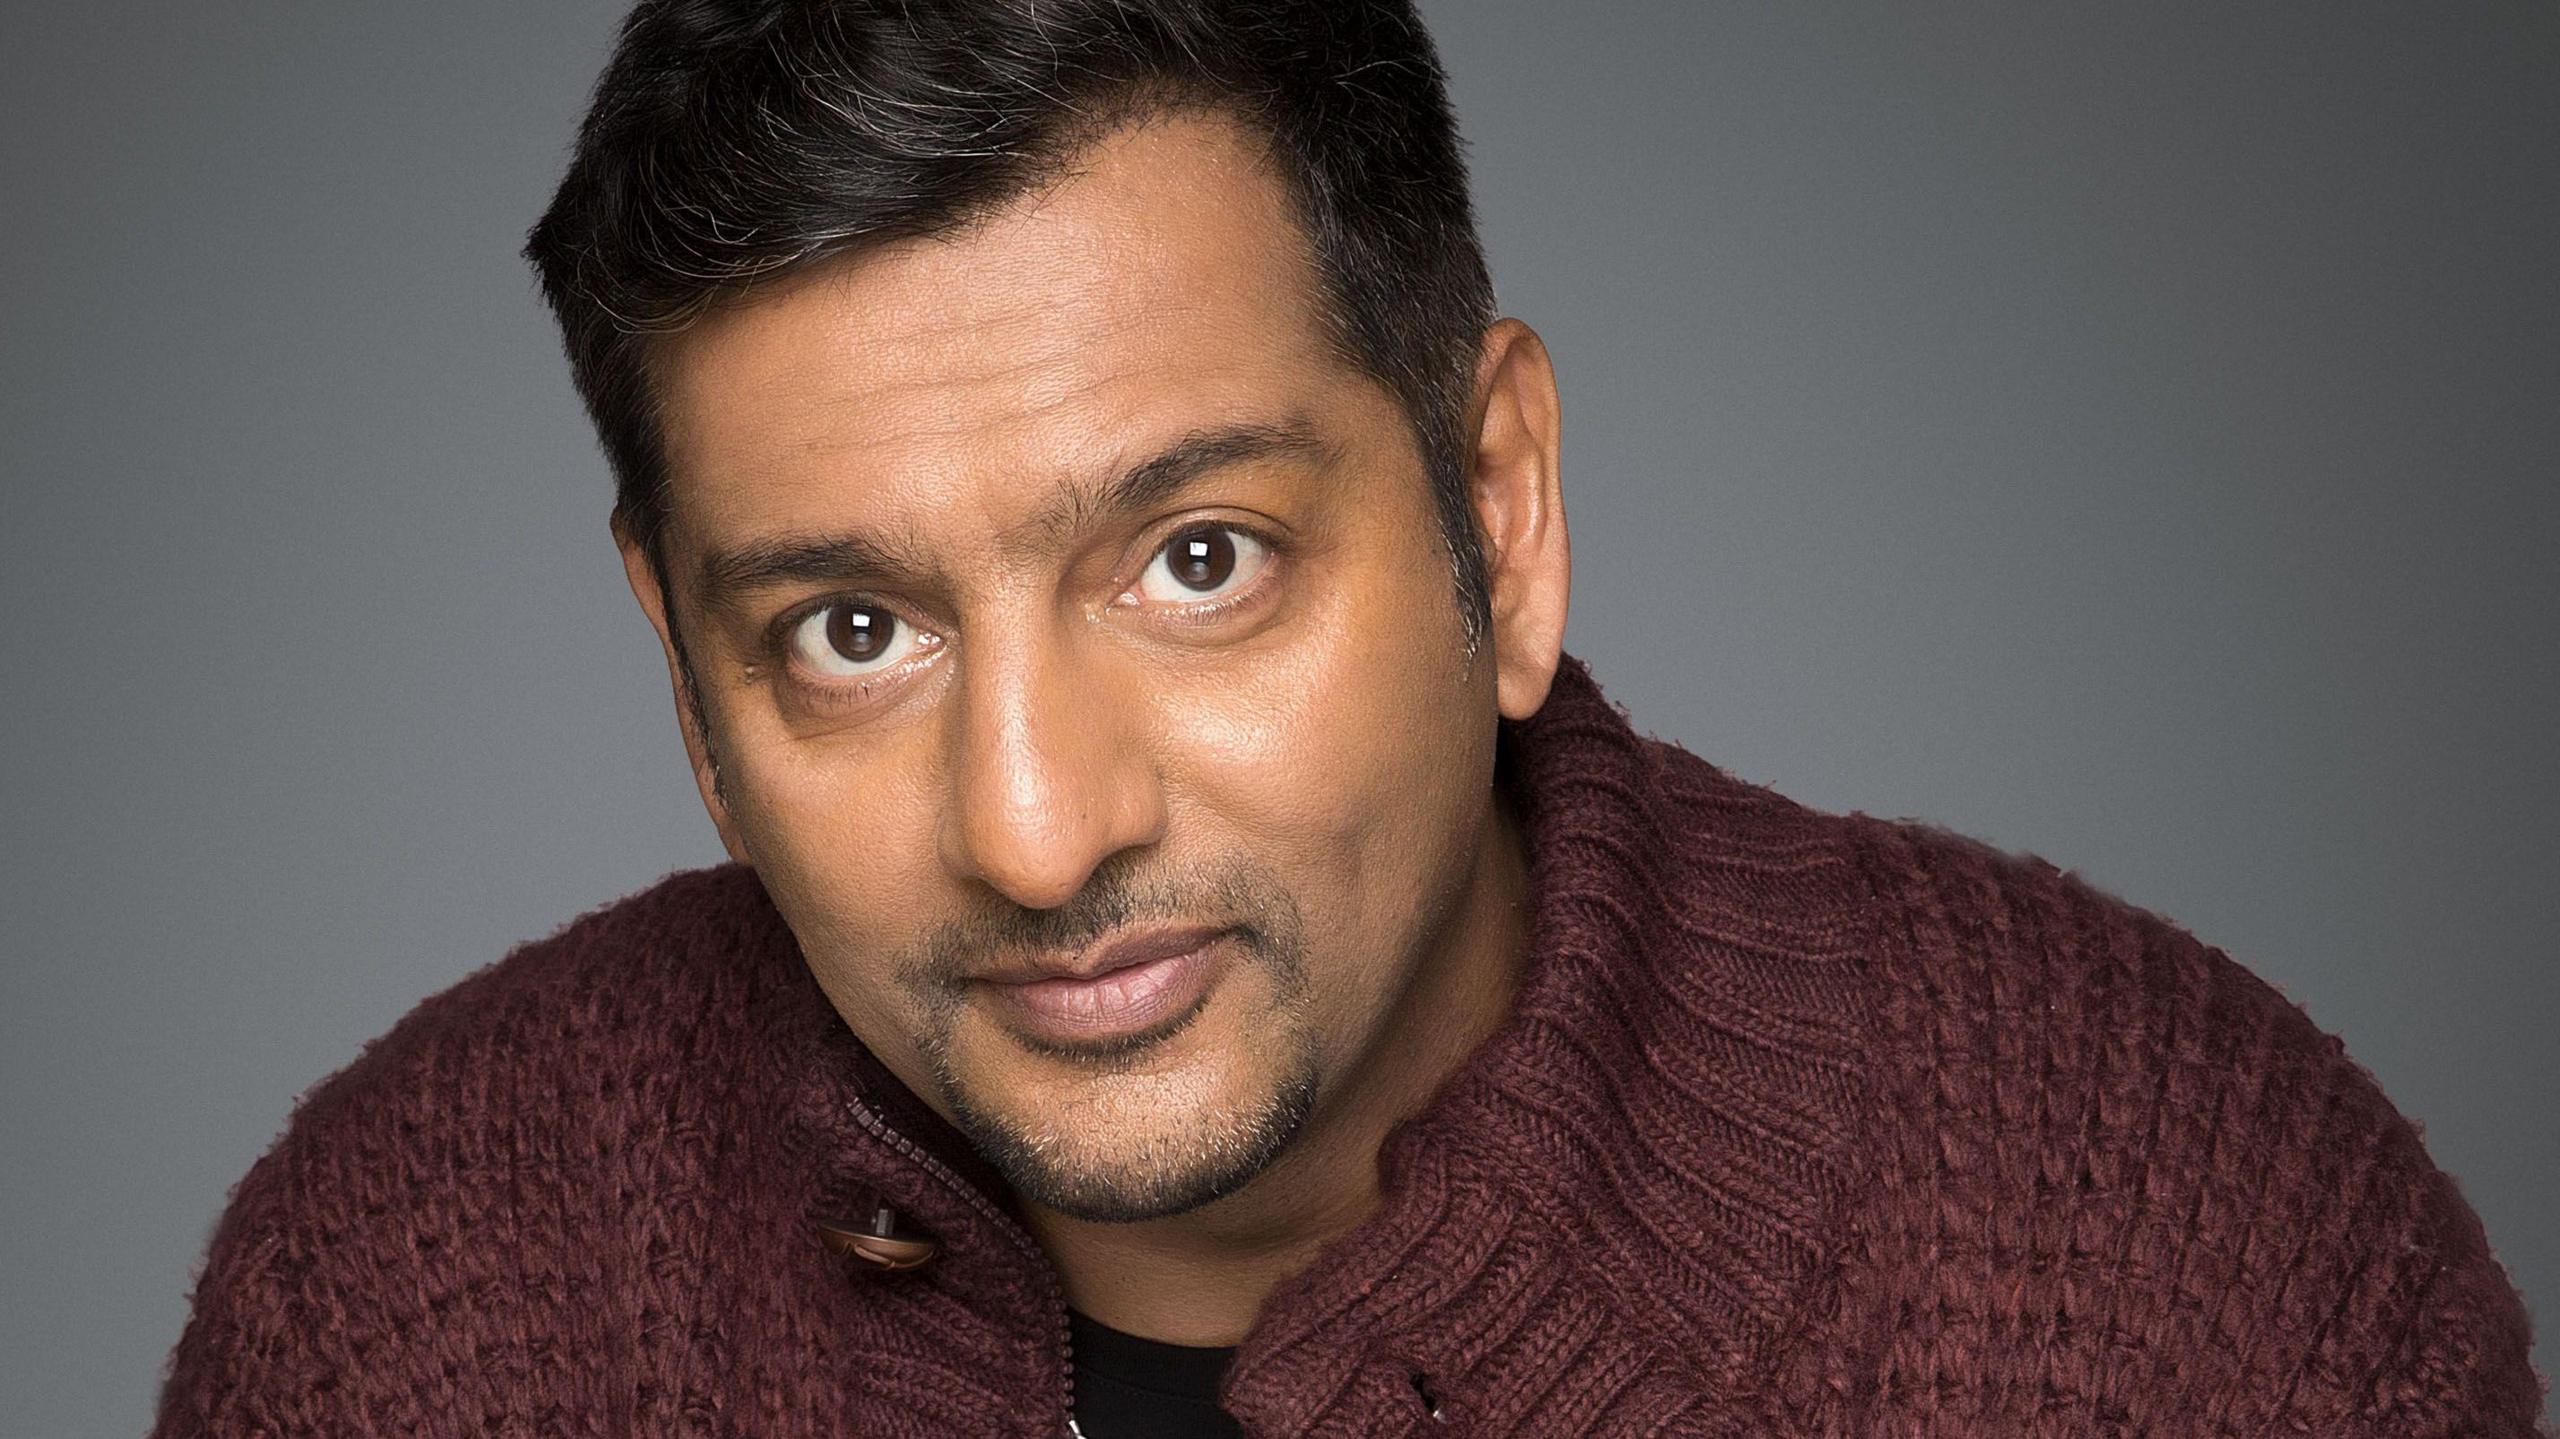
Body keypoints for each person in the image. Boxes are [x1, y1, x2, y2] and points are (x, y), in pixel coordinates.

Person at [152, 2, 2547, 1435]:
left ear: (1492, 512)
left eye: (1197, 560)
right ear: (685, 682)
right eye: (850, 635)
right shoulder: (409, 1303)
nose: (1031, 826)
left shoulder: (2172, 1266)